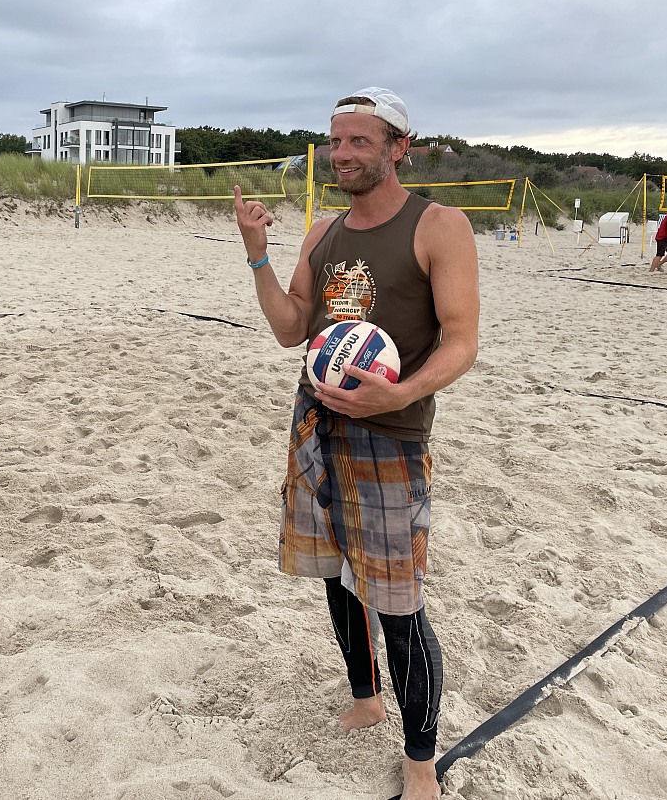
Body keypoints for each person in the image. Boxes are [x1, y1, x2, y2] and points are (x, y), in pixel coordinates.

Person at [233, 87, 479, 800]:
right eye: (335, 141)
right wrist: (258, 257)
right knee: (337, 576)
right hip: (317, 423)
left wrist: (400, 394)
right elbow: (291, 329)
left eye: (358, 141)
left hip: (391, 435)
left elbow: (462, 341)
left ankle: (421, 759)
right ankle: (366, 699)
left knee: (397, 602)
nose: (341, 154)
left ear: (399, 147)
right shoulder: (323, 232)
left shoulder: (439, 226)